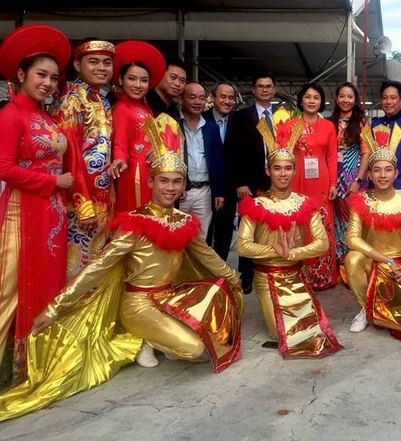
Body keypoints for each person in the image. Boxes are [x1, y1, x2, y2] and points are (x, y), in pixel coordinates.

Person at [0, 114, 242, 421]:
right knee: (194, 351)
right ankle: (136, 338)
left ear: (184, 186)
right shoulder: (134, 224)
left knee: (218, 304)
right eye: (163, 180)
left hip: (170, 298)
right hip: (139, 303)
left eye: (176, 181)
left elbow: (206, 255)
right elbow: (98, 267)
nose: (170, 188)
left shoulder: (184, 221)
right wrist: (55, 308)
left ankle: (155, 336)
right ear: (151, 182)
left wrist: (231, 276)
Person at [0, 25, 72, 388]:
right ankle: (6, 372)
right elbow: (4, 167)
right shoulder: (11, 114)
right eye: (41, 75)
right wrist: (52, 183)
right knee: (10, 289)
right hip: (22, 211)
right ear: (21, 75)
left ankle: (38, 364)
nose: (48, 83)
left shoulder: (46, 118)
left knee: (48, 285)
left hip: (51, 215)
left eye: (54, 77)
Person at [237, 115, 342, 359]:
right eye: (277, 168)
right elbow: (243, 246)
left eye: (287, 168)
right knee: (282, 333)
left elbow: (322, 243)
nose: (282, 174)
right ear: (268, 170)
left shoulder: (305, 203)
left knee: (312, 330)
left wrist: (292, 253)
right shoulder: (255, 204)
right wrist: (275, 252)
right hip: (267, 278)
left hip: (296, 274)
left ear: (295, 170)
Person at [345, 130, 401, 340]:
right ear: (369, 175)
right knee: (352, 259)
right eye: (376, 170)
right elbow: (352, 238)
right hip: (372, 263)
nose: (382, 175)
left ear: (396, 173)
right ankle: (366, 309)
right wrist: (387, 260)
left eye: (388, 170)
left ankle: (384, 304)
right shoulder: (361, 201)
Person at [51, 38, 116, 278]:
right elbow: (70, 155)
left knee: (95, 268)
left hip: (103, 198)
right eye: (94, 62)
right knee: (76, 269)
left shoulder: (103, 100)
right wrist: (83, 205)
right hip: (79, 202)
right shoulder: (71, 99)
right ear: (78, 65)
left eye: (107, 63)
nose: (101, 67)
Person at [227, 74, 276, 293]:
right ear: (254, 90)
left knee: (273, 227)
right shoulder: (240, 116)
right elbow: (233, 151)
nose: (265, 90)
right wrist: (239, 182)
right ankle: (246, 274)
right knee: (248, 229)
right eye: (260, 86)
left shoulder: (283, 116)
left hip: (277, 181)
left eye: (269, 86)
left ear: (274, 90)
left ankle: (272, 268)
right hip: (250, 182)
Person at [108, 41, 166, 213]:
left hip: (152, 172)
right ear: (120, 80)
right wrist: (119, 160)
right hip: (134, 174)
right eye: (132, 79)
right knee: (138, 218)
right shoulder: (121, 109)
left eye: (144, 80)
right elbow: (120, 144)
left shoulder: (146, 109)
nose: (138, 85)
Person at [291, 83, 338, 290]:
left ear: (321, 102)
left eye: (316, 97)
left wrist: (333, 183)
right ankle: (300, 275)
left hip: (322, 181)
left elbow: (332, 156)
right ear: (301, 100)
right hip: (296, 179)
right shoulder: (291, 125)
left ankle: (322, 275)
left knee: (321, 224)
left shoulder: (328, 126)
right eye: (308, 97)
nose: (311, 101)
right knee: (299, 224)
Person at [328, 82, 370, 270]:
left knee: (351, 219)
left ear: (355, 100)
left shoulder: (361, 121)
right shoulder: (329, 122)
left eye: (350, 96)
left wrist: (358, 180)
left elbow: (366, 153)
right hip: (331, 178)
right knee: (333, 219)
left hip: (352, 178)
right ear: (337, 99)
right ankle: (336, 261)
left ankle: (352, 263)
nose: (346, 100)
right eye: (342, 96)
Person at [179, 82, 225, 239]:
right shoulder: (173, 123)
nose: (198, 102)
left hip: (205, 192)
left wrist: (218, 192)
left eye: (201, 98)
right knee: (177, 236)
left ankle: (196, 265)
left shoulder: (211, 127)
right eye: (192, 97)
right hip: (181, 192)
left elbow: (218, 160)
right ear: (181, 99)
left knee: (201, 238)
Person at [204, 82, 238, 262]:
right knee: (204, 234)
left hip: (230, 187)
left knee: (225, 233)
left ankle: (220, 273)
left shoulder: (238, 121)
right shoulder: (201, 119)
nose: (227, 101)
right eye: (223, 97)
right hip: (206, 187)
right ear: (213, 97)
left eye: (231, 98)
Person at [145, 58, 187, 122]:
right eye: (173, 77)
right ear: (160, 75)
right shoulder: (144, 103)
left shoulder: (174, 110)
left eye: (182, 81)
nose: (177, 84)